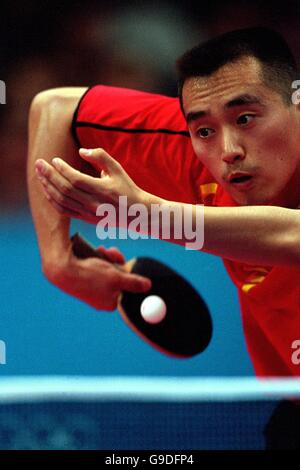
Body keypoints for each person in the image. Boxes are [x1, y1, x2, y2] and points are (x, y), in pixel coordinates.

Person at [28, 27, 300, 448]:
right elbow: (56, 107)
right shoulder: (197, 150)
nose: (228, 149)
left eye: (245, 118)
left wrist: (149, 216)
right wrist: (57, 260)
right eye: (204, 130)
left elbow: (291, 233)